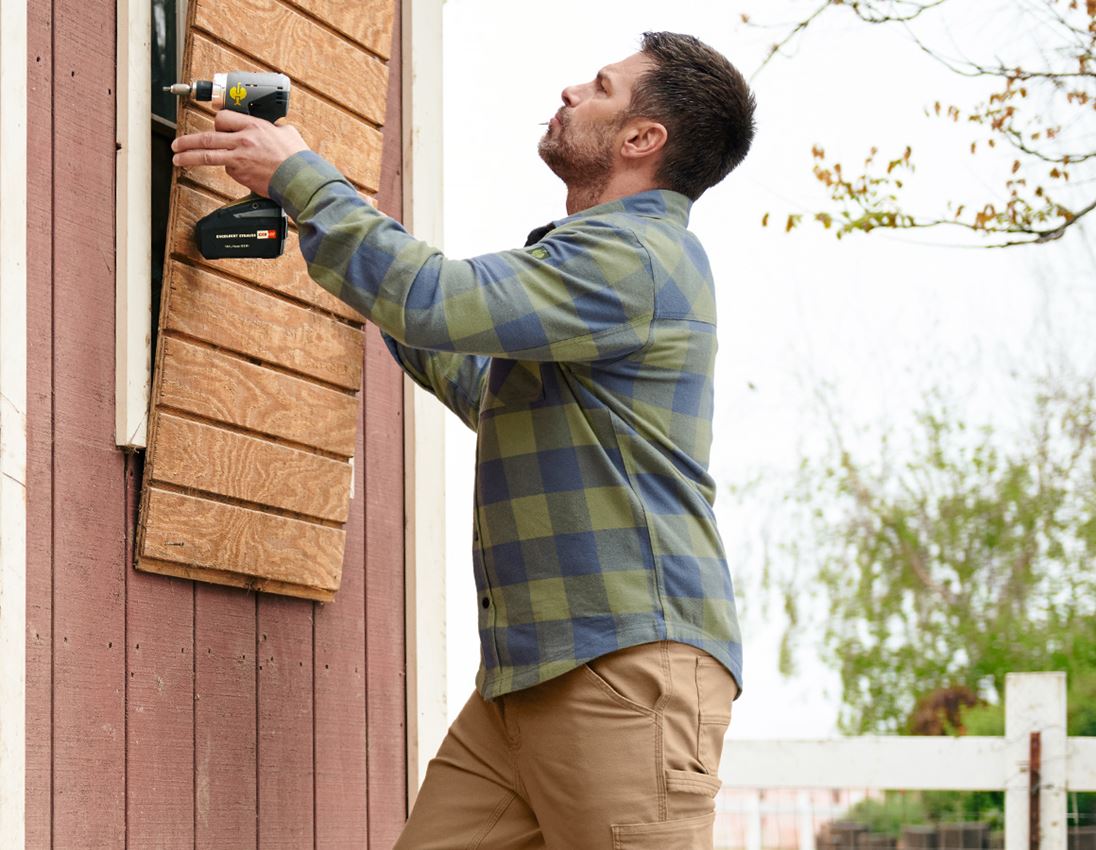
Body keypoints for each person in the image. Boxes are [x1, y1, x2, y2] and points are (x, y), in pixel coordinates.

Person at [173, 30, 756, 850]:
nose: (569, 92)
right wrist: (336, 224)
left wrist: (306, 180)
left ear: (640, 140)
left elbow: (439, 300)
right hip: (529, 678)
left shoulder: (634, 256)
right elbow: (474, 375)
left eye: (599, 87)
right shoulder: (600, 267)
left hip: (623, 675)